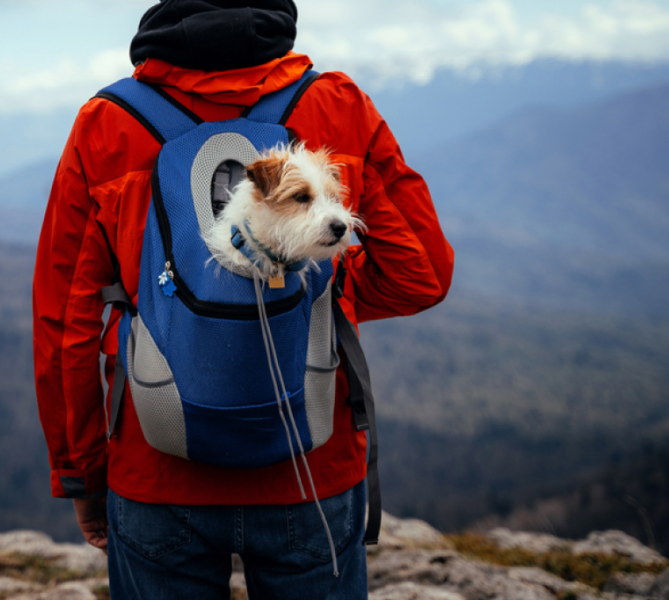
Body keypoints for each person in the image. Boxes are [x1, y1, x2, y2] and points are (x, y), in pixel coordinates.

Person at [32, 1, 454, 598]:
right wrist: (314, 290)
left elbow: (63, 322)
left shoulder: (107, 122)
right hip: (310, 463)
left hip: (155, 467)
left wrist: (82, 475)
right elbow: (422, 274)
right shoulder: (334, 105)